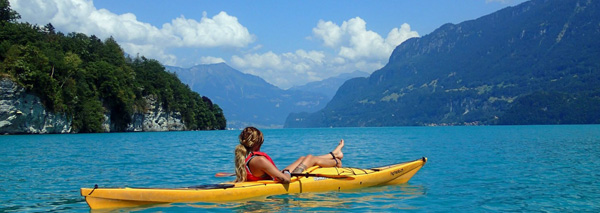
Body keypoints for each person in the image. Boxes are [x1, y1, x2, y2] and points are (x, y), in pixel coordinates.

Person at [234, 127, 344, 183]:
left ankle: (334, 153)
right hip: (283, 178)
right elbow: (285, 180)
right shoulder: (259, 160)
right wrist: (286, 172)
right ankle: (337, 162)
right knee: (310, 158)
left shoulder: (245, 158)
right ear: (258, 143)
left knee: (303, 158)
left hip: (275, 176)